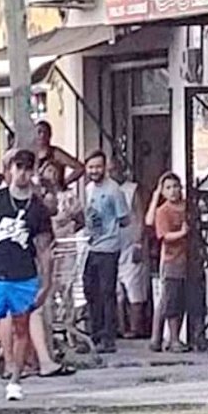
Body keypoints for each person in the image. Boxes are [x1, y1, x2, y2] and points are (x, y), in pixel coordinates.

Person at [0, 149, 54, 402]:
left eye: (26, 169)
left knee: (22, 327)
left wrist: (46, 281)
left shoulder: (38, 209)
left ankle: (16, 379)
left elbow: (43, 248)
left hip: (23, 275)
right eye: (18, 168)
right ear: (10, 170)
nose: (22, 173)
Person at [83, 151, 129, 353]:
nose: (94, 171)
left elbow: (125, 218)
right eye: (91, 167)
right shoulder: (88, 189)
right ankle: (95, 333)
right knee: (90, 290)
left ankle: (108, 337)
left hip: (109, 247)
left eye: (98, 167)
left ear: (105, 167)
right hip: (92, 246)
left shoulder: (114, 191)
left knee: (107, 292)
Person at [110, 157, 149, 339]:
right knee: (116, 290)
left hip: (131, 243)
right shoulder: (106, 189)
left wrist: (140, 242)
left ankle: (135, 328)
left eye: (114, 169)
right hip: (112, 244)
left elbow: (140, 216)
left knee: (134, 286)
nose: (111, 173)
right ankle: (119, 327)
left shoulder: (131, 189)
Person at [150, 171, 188, 352]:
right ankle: (169, 339)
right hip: (171, 260)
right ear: (163, 192)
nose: (173, 191)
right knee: (169, 300)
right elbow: (164, 236)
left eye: (176, 186)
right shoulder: (163, 211)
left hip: (187, 259)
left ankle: (167, 338)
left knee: (180, 300)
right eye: (169, 188)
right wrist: (182, 233)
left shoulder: (187, 206)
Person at [35, 121, 84, 188]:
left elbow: (80, 168)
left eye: (45, 132)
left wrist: (64, 183)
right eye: (39, 132)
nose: (42, 135)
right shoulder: (31, 153)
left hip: (54, 194)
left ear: (50, 135)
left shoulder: (56, 153)